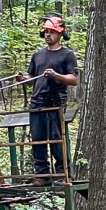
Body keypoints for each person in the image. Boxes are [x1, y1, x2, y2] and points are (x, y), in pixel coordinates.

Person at [15, 14, 78, 186]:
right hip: (37, 102)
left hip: (55, 102)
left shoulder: (67, 55)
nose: (48, 35)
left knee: (57, 140)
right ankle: (41, 175)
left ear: (60, 34)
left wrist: (56, 75)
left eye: (52, 32)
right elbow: (32, 77)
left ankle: (62, 175)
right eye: (46, 31)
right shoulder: (38, 55)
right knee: (38, 140)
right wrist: (23, 79)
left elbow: (74, 79)